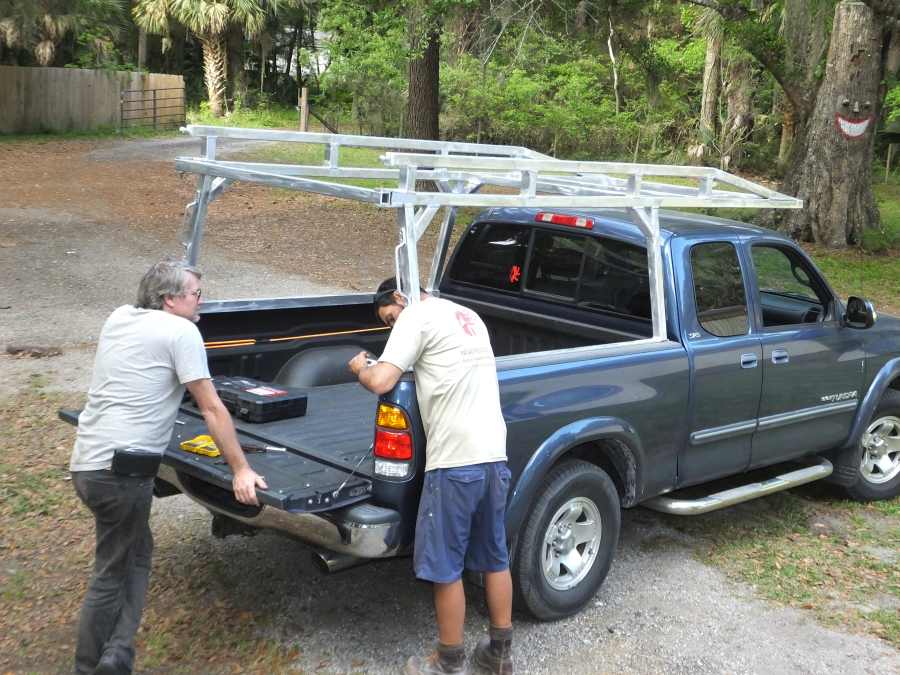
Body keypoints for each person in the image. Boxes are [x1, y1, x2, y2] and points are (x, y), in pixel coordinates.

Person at [69, 259, 267, 675]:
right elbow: (212, 408)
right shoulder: (182, 331)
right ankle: (91, 666)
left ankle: (117, 655)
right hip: (122, 473)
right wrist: (241, 469)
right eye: (196, 293)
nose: (202, 301)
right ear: (170, 299)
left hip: (87, 464)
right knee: (112, 570)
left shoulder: (120, 317)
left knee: (137, 553)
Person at [349, 277, 514, 675]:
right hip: (494, 456)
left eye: (390, 317)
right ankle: (500, 655)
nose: (393, 326)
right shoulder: (467, 315)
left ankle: (448, 661)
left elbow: (382, 380)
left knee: (445, 566)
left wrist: (360, 366)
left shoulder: (417, 316)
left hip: (454, 463)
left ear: (401, 297)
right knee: (495, 557)